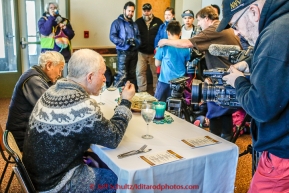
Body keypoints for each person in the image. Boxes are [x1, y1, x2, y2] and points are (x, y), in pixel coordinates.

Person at [22, 49, 135, 192]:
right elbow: (113, 137)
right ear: (90, 77)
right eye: (102, 74)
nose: (105, 79)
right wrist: (125, 101)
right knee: (122, 180)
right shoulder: (80, 104)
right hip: (55, 184)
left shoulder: (52, 90)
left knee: (96, 159)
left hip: (36, 176)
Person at [218, 0, 289, 191]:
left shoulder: (274, 35)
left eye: (235, 24)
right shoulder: (282, 24)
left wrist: (238, 82)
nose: (236, 32)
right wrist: (250, 62)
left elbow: (261, 107)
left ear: (253, 12)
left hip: (282, 155)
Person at [158, 6, 241, 140]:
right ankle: (227, 144)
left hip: (222, 80)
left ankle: (215, 145)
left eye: (199, 21)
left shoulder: (214, 29)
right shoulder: (227, 28)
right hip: (231, 77)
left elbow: (186, 43)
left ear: (207, 18)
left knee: (215, 114)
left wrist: (165, 41)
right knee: (225, 113)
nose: (198, 24)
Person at [6, 51, 65, 151]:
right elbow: (51, 108)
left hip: (28, 132)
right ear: (49, 65)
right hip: (22, 138)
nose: (60, 74)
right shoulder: (33, 80)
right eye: (60, 69)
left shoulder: (39, 76)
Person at [154, 21, 190, 102]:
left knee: (159, 104)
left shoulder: (163, 46)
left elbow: (157, 64)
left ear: (168, 32)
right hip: (180, 83)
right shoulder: (185, 47)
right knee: (177, 106)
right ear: (180, 33)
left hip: (165, 81)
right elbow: (187, 63)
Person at [109, 1, 141, 89]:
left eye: (132, 11)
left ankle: (131, 96)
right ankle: (115, 95)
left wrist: (137, 43)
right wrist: (124, 42)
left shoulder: (134, 24)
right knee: (122, 76)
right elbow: (112, 36)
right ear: (124, 10)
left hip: (134, 52)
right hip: (122, 52)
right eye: (129, 11)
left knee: (132, 76)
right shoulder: (117, 23)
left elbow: (138, 36)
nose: (130, 13)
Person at [135, 3, 163, 93]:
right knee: (140, 72)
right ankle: (142, 92)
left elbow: (161, 35)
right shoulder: (138, 22)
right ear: (142, 11)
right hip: (141, 52)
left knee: (156, 73)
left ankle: (156, 92)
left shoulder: (158, 22)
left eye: (148, 10)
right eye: (145, 10)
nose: (146, 12)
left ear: (151, 10)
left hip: (154, 53)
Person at [154, 7, 175, 77]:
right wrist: (156, 47)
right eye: (165, 14)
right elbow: (157, 37)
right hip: (161, 51)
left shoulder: (175, 26)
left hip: (170, 52)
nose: (167, 16)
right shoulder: (162, 26)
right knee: (160, 73)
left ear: (173, 15)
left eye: (169, 14)